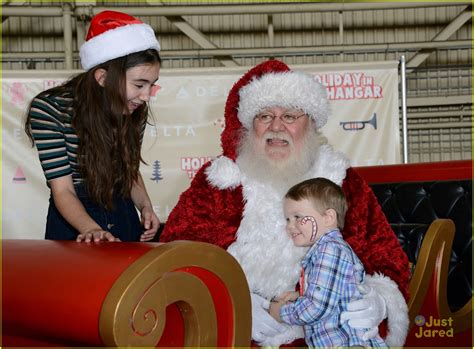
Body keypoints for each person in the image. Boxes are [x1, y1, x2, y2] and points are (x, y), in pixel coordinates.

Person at [159, 59, 410, 347]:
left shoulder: (339, 180)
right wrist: (228, 300)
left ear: (311, 123)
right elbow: (177, 254)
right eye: (264, 116)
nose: (276, 127)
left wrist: (378, 300)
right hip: (235, 334)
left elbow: (386, 257)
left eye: (290, 116)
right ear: (249, 126)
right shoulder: (219, 182)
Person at [25, 10, 161, 243]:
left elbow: (128, 171)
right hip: (73, 219)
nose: (146, 96)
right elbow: (63, 190)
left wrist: (145, 205)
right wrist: (91, 229)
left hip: (122, 213)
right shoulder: (50, 109)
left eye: (151, 85)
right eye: (139, 84)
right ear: (102, 78)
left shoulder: (132, 108)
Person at [268, 177, 387, 348]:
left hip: (347, 342)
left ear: (328, 217)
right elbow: (332, 294)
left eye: (297, 217)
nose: (289, 226)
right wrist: (300, 296)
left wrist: (281, 313)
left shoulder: (328, 251)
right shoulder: (327, 250)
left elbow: (318, 307)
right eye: (287, 219)